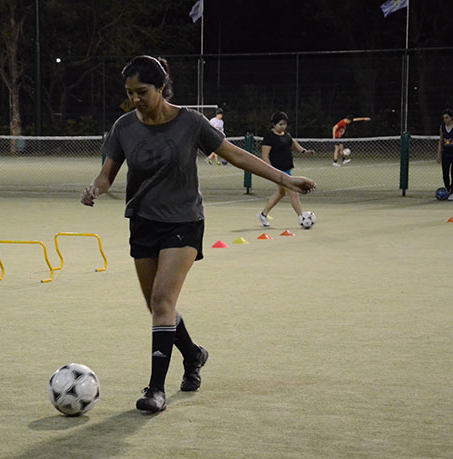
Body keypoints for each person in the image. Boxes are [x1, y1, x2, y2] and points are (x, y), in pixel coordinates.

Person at [81, 55, 316, 413]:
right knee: (158, 307)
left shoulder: (191, 122)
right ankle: (193, 355)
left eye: (142, 91)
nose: (135, 100)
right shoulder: (124, 127)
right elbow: (107, 173)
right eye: (129, 93)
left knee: (162, 301)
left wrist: (285, 179)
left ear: (161, 87)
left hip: (183, 222)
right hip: (143, 222)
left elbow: (236, 155)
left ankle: (155, 390)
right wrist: (95, 188)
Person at [256, 111, 314, 227]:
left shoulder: (286, 135)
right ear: (274, 124)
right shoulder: (269, 137)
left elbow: (293, 144)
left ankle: (263, 214)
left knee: (281, 193)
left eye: (285, 124)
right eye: (280, 124)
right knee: (294, 192)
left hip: (287, 169)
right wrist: (272, 171)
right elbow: (264, 156)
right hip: (278, 172)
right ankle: (301, 217)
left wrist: (304, 151)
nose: (283, 126)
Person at [436, 108, 453, 201]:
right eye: (444, 118)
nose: (445, 120)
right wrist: (439, 154)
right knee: (445, 174)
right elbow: (440, 141)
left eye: (447, 117)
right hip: (446, 153)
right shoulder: (442, 127)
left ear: (451, 118)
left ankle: (452, 192)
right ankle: (448, 189)